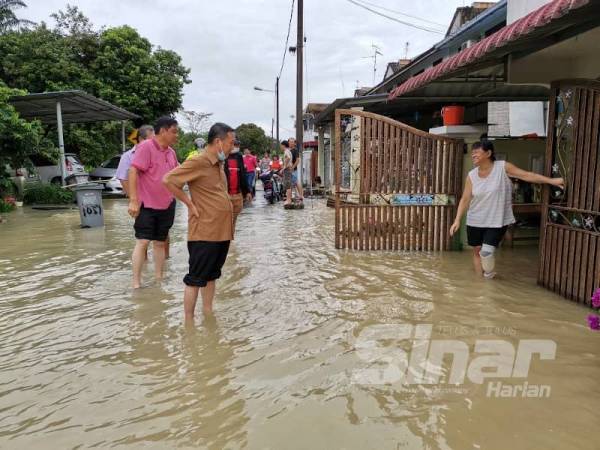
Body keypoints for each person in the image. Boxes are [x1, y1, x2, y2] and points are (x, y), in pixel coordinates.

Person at [450, 140, 564, 279]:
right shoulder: (472, 175)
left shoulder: (502, 167)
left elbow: (527, 175)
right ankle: (480, 284)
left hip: (496, 220)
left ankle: (489, 276)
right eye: (472, 153)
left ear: (488, 153)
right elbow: (465, 199)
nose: (473, 155)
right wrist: (457, 220)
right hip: (475, 220)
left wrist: (552, 181)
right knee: (477, 251)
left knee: (486, 252)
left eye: (476, 152)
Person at [163, 122, 236, 321]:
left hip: (221, 232)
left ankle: (208, 313)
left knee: (212, 275)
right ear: (218, 142)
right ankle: (188, 323)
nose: (233, 147)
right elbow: (169, 180)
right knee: (195, 279)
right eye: (231, 142)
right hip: (204, 231)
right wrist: (189, 204)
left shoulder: (219, 164)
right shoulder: (199, 161)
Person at [127, 117, 179, 289]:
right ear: (163, 131)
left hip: (167, 204)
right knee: (142, 242)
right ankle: (136, 283)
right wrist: (134, 200)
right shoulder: (146, 147)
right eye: (174, 131)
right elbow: (133, 171)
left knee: (160, 242)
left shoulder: (171, 152)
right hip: (147, 205)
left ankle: (158, 279)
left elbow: (176, 176)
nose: (176, 135)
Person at [116, 125, 154, 196]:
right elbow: (123, 179)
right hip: (139, 200)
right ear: (140, 139)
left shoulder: (156, 154)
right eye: (150, 140)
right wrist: (133, 199)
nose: (153, 143)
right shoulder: (128, 156)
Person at [224, 141, 252, 227]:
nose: (235, 147)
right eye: (233, 145)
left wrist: (247, 191)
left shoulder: (239, 156)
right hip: (225, 195)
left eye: (237, 145)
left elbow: (242, 175)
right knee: (225, 220)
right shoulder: (222, 156)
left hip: (237, 194)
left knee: (233, 221)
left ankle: (230, 239)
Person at [288, 137, 304, 203]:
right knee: (291, 183)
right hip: (289, 169)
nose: (291, 143)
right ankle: (291, 196)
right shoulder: (289, 151)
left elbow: (298, 160)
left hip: (293, 170)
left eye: (292, 142)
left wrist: (292, 167)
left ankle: (301, 196)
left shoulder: (295, 150)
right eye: (290, 142)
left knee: (296, 182)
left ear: (294, 143)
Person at [282, 140, 294, 206]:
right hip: (289, 169)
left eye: (281, 145)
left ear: (283, 145)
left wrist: (284, 166)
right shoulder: (289, 151)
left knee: (287, 185)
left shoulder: (286, 151)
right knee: (288, 184)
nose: (281, 147)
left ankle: (288, 200)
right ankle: (288, 199)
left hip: (287, 169)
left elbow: (288, 158)